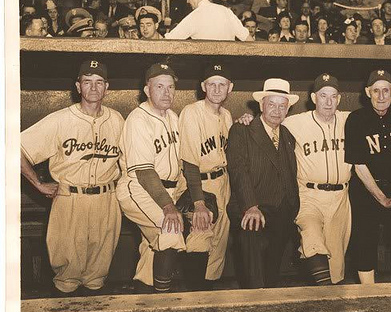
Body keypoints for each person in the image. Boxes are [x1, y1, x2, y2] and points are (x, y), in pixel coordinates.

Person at [20, 60, 124, 296]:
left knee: (98, 277)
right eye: (87, 82)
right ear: (78, 87)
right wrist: (37, 183)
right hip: (70, 199)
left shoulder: (117, 120)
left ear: (107, 87)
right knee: (67, 278)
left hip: (107, 199)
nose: (94, 88)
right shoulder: (60, 120)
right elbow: (15, 147)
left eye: (99, 82)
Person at [344, 69, 391, 284]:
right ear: (368, 92)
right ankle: (368, 291)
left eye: (385, 91)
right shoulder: (356, 119)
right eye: (376, 91)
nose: (381, 96)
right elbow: (359, 165)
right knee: (363, 238)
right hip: (365, 188)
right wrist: (382, 199)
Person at [116, 63, 186, 293]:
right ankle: (163, 296)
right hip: (139, 188)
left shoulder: (173, 117)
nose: (166, 92)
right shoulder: (138, 119)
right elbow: (145, 172)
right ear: (147, 90)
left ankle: (144, 292)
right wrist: (168, 206)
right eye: (159, 87)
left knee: (152, 246)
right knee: (171, 231)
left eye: (170, 87)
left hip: (166, 188)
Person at [226, 78, 300, 289]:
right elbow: (239, 170)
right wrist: (250, 206)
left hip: (282, 210)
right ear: (261, 105)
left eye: (282, 105)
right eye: (271, 104)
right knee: (254, 276)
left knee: (273, 270)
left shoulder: (286, 135)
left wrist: (292, 208)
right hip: (253, 208)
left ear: (288, 109)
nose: (276, 110)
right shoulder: (242, 130)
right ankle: (254, 306)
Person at [281, 74, 353, 284]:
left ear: (339, 99)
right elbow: (268, 123)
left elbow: (379, 117)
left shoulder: (350, 120)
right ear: (314, 97)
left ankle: (329, 305)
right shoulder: (294, 122)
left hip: (340, 197)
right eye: (323, 96)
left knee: (336, 264)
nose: (328, 102)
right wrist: (247, 119)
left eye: (333, 96)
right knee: (311, 237)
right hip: (308, 196)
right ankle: (323, 294)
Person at [177, 64, 235, 289]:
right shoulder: (192, 112)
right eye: (212, 84)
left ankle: (208, 301)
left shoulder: (227, 115)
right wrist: (199, 203)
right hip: (199, 182)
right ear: (203, 86)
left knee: (218, 247)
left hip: (223, 182)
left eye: (222, 84)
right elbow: (190, 162)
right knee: (199, 239)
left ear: (230, 88)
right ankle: (194, 297)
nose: (217, 89)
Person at [165, 0, 251, 41]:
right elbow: (247, 38)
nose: (187, 1)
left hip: (205, 65)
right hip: (228, 64)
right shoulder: (226, 11)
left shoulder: (194, 17)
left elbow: (170, 40)